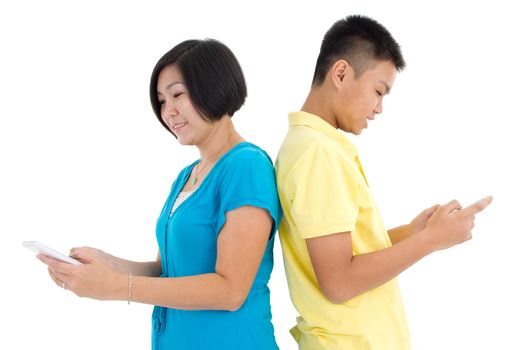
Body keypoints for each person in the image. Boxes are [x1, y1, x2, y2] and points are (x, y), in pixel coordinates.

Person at [39, 39, 282, 350]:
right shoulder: (188, 175)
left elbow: (231, 290)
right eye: (162, 101)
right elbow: (167, 270)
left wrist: (118, 288)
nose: (169, 111)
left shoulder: (246, 166)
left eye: (178, 94)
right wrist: (107, 264)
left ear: (215, 86)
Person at [275, 15, 492, 350]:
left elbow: (343, 255)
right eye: (379, 91)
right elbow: (338, 281)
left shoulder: (314, 146)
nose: (379, 109)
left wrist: (412, 232)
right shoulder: (318, 154)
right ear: (341, 74)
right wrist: (430, 241)